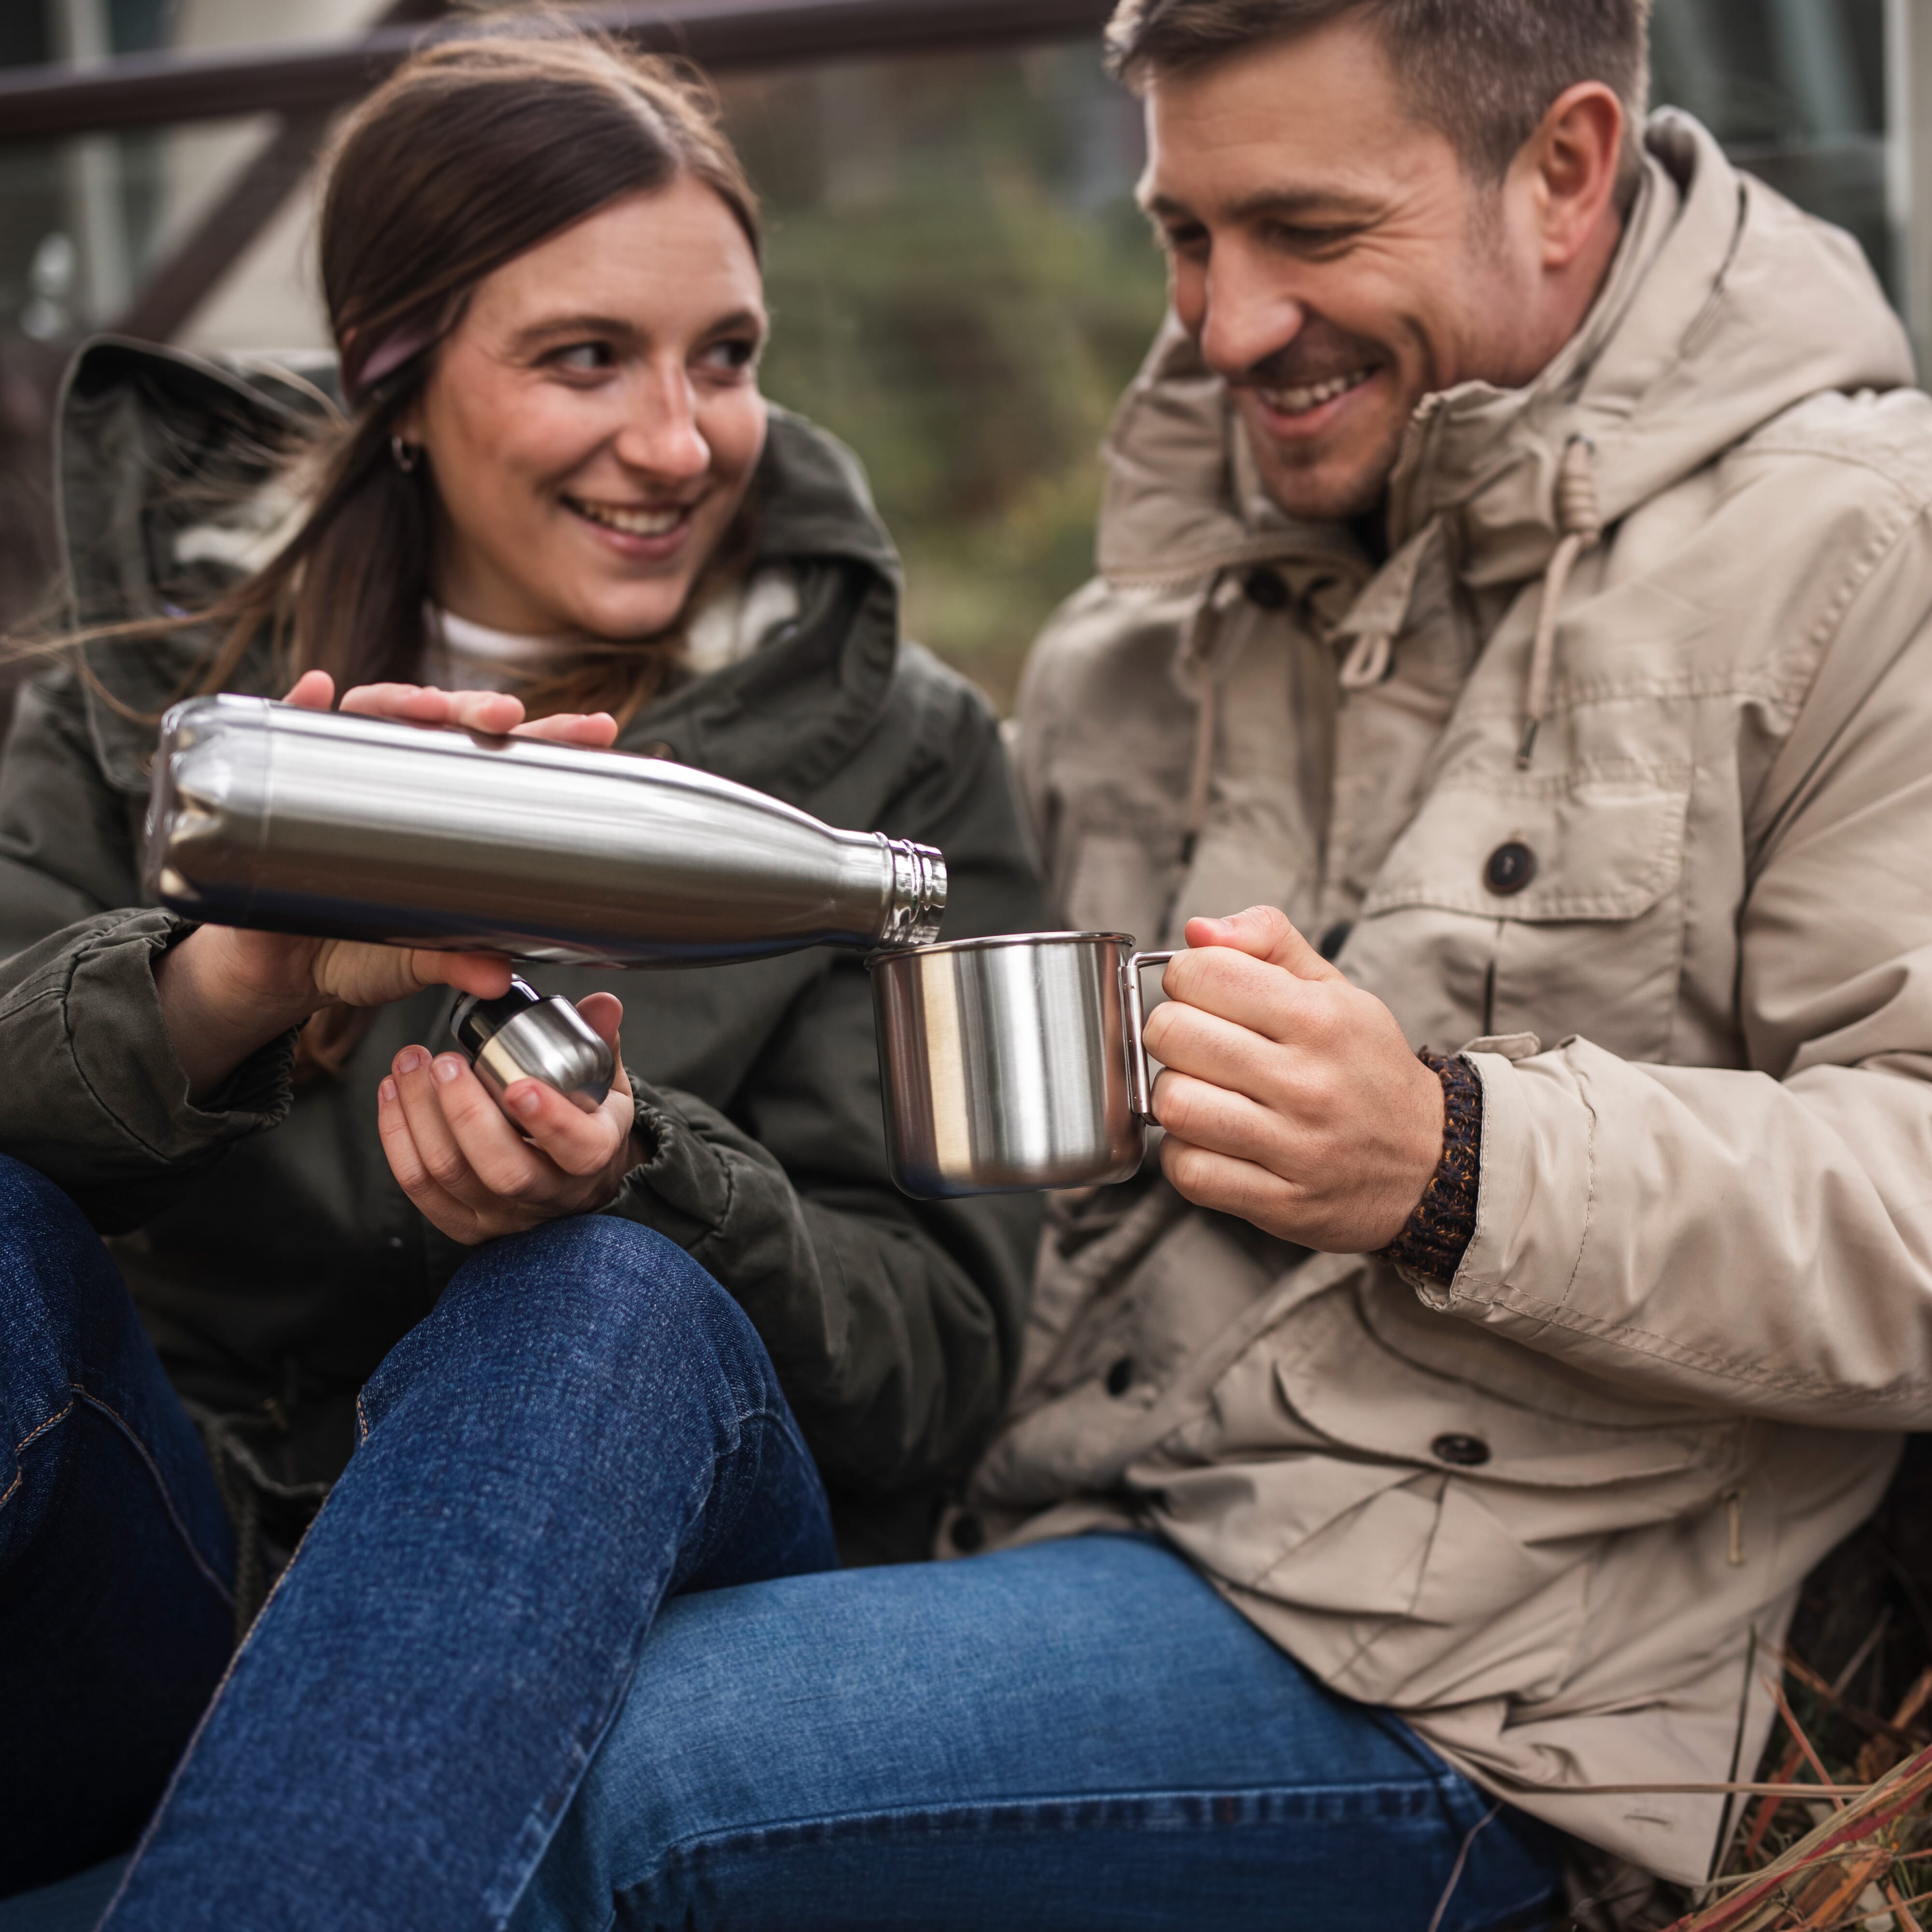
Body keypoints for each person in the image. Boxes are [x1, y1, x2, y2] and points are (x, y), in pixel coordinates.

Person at [499, 1, 1932, 1927]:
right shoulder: (1132, 639)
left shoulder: (1863, 556)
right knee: (507, 1575)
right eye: (1185, 235)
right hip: (1048, 1522)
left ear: (1565, 168)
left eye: (1308, 231)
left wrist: (1450, 1158)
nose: (1226, 323)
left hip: (1463, 1688)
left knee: (624, 1769)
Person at [0, 27, 1041, 1926]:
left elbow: (938, 1358)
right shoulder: (155, 682)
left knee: (597, 1297)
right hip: (173, 1562)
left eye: (725, 356)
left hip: (623, 1547)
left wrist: (639, 1173)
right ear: (394, 379)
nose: (681, 442)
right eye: (585, 358)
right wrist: (234, 982)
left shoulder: (900, 757)